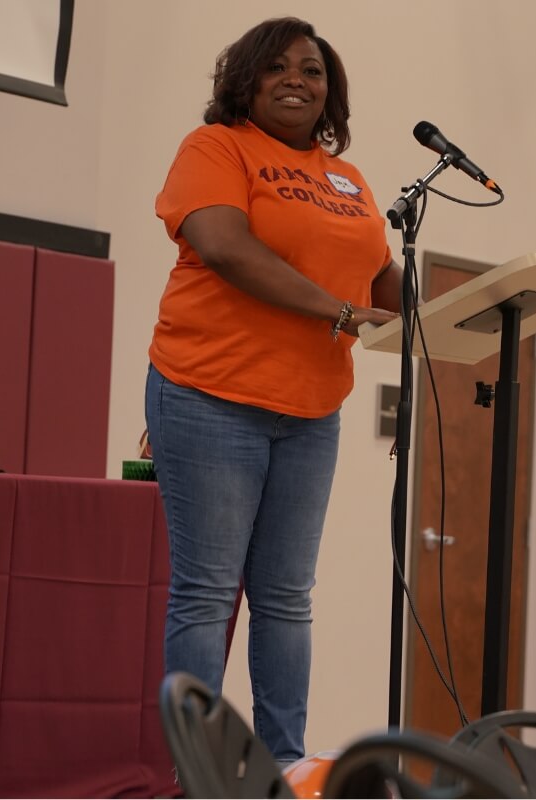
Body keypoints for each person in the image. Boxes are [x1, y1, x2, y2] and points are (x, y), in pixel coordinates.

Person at [145, 16, 402, 764]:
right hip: (208, 394)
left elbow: (383, 278)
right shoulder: (215, 148)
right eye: (279, 67)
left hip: (312, 409)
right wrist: (342, 311)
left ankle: (287, 765)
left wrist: (465, 302)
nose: (298, 79)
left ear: (332, 92)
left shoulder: (348, 181)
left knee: (288, 600)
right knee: (208, 592)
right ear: (245, 79)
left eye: (313, 70)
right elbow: (225, 246)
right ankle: (198, 768)